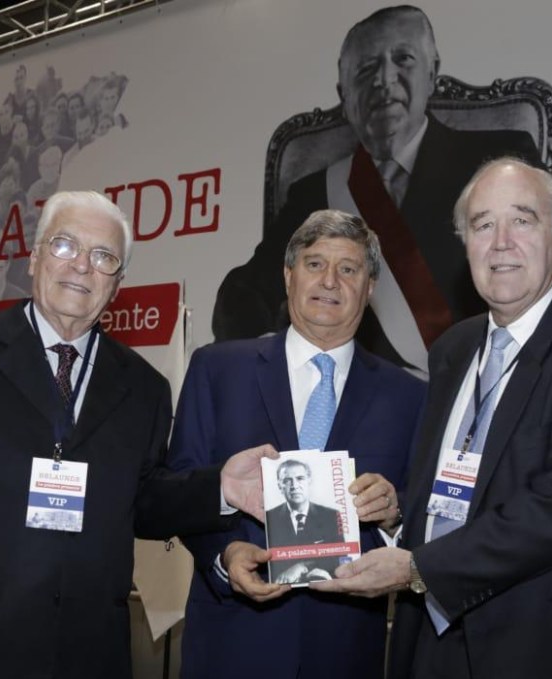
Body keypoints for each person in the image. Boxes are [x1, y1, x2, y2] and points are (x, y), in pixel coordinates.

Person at [0, 191, 276, 679]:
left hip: (88, 652)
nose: (81, 266)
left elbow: (144, 502)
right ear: (34, 258)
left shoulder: (144, 388)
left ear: (116, 284)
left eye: (103, 256)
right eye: (65, 245)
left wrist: (219, 487)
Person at [312, 158, 552, 679]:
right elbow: (456, 484)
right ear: (465, 243)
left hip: (550, 645)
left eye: (521, 220)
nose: (500, 243)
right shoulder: (453, 349)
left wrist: (418, 568)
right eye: (482, 225)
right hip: (435, 636)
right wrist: (398, 512)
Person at [212, 5, 552, 378]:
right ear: (343, 94)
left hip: (477, 385)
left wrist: (545, 357)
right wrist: (276, 353)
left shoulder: (498, 161)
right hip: (363, 398)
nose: (384, 80)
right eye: (366, 69)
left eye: (403, 59)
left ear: (432, 73)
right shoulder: (314, 193)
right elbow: (242, 292)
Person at [167, 209, 426, 679]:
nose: (330, 281)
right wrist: (224, 556)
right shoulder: (217, 369)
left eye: (349, 269)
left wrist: (394, 513)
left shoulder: (409, 396)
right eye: (315, 264)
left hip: (345, 653)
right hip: (232, 645)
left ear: (369, 288)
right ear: (288, 276)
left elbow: (423, 508)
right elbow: (180, 487)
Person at [265, 459, 344, 585]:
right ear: (280, 486)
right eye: (287, 480)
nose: (294, 486)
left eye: (300, 478)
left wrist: (302, 566)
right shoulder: (269, 517)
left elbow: (339, 556)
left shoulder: (331, 516)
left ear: (309, 481)